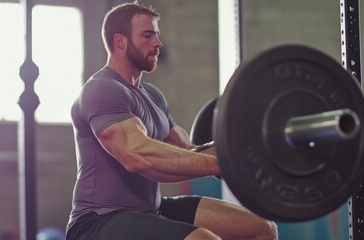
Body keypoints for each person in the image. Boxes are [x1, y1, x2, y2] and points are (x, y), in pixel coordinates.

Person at [66, 2, 278, 240]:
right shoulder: (102, 90)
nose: (157, 43)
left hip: (151, 208)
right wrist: (221, 163)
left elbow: (186, 152)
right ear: (120, 41)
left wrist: (246, 150)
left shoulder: (153, 95)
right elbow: (137, 156)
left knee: (261, 228)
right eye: (147, 35)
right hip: (99, 221)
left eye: (157, 35)